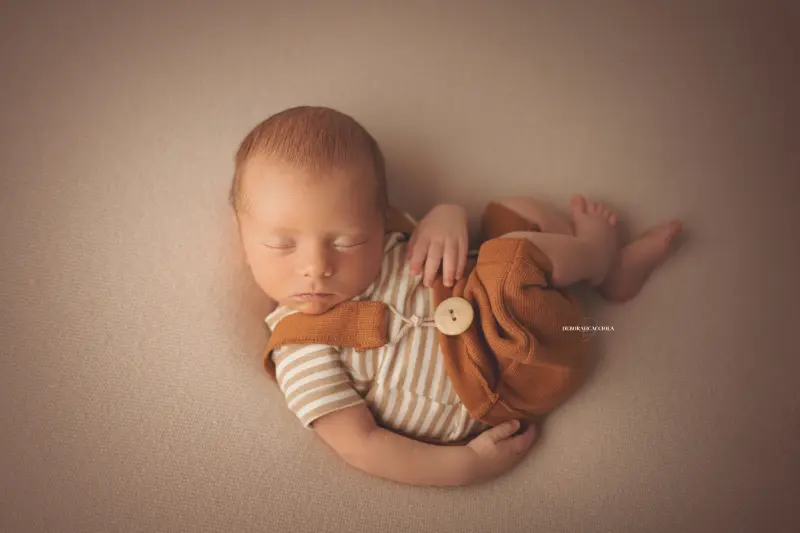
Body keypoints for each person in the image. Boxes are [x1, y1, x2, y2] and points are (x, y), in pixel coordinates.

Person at [230, 106, 683, 487]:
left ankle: (611, 277)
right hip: (503, 371)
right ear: (244, 238)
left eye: (347, 241)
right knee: (510, 260)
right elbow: (362, 446)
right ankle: (598, 257)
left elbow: (434, 233)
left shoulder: (388, 234)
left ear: (377, 220)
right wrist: (466, 466)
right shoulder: (299, 348)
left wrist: (445, 216)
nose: (316, 265)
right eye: (282, 245)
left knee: (515, 210)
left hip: (508, 295)